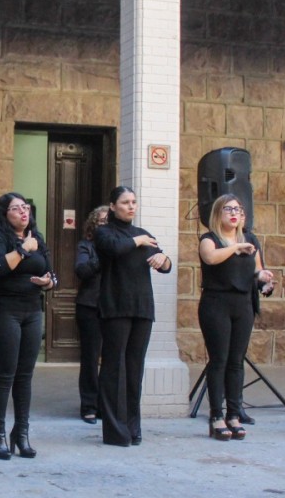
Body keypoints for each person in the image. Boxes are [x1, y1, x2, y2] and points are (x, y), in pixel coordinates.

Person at [94, 186, 171, 447]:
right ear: (113, 206)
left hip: (141, 307)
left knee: (135, 368)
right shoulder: (104, 232)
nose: (131, 206)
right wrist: (137, 242)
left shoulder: (144, 234)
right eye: (125, 202)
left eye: (134, 202)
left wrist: (163, 259)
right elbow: (114, 250)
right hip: (116, 306)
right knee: (115, 366)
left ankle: (132, 426)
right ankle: (115, 430)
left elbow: (164, 264)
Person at [0, 193, 54, 460]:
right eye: (16, 209)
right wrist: (24, 249)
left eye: (26, 207)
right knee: (5, 374)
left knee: (25, 375)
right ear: (4, 213)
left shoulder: (37, 236)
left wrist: (47, 283)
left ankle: (21, 433)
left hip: (32, 310)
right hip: (3, 311)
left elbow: (51, 273)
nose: (23, 212)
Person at [198, 194, 273, 441]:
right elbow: (211, 258)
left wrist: (264, 278)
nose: (234, 213)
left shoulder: (250, 239)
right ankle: (216, 416)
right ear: (219, 213)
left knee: (236, 361)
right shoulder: (210, 239)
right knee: (218, 360)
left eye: (238, 209)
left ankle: (233, 415)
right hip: (216, 303)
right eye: (228, 209)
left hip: (243, 304)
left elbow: (257, 269)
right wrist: (235, 247)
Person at [74, 205, 108, 424]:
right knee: (90, 357)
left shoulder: (121, 246)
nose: (105, 225)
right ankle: (88, 405)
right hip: (89, 306)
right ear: (94, 224)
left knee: (112, 358)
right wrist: (102, 256)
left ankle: (105, 404)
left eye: (108, 221)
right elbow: (81, 271)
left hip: (114, 307)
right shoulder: (86, 246)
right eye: (102, 221)